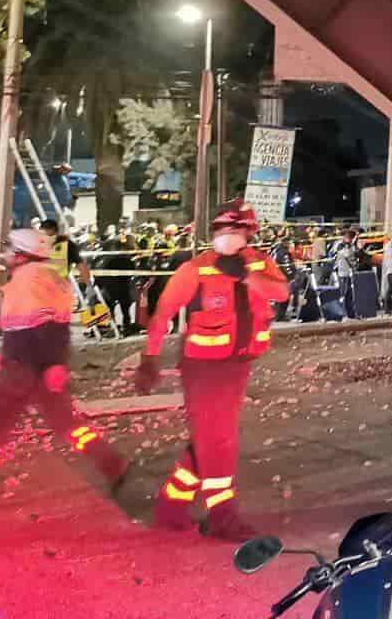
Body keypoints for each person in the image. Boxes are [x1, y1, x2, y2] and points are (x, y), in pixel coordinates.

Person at [134, 200, 288, 537]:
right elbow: (163, 313)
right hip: (203, 370)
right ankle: (223, 517)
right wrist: (149, 357)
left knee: (207, 440)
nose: (226, 235)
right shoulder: (197, 268)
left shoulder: (260, 263)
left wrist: (247, 276)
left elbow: (281, 291)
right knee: (220, 443)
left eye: (234, 229)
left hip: (237, 366)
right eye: (220, 229)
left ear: (250, 233)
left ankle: (170, 508)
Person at [0, 228, 130, 496]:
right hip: (36, 364)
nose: (7, 255)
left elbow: (42, 325)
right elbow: (45, 324)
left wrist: (41, 361)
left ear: (22, 254)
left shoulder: (29, 280)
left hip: (25, 367)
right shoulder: (47, 277)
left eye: (11, 250)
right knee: (69, 424)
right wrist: (54, 363)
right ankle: (111, 463)